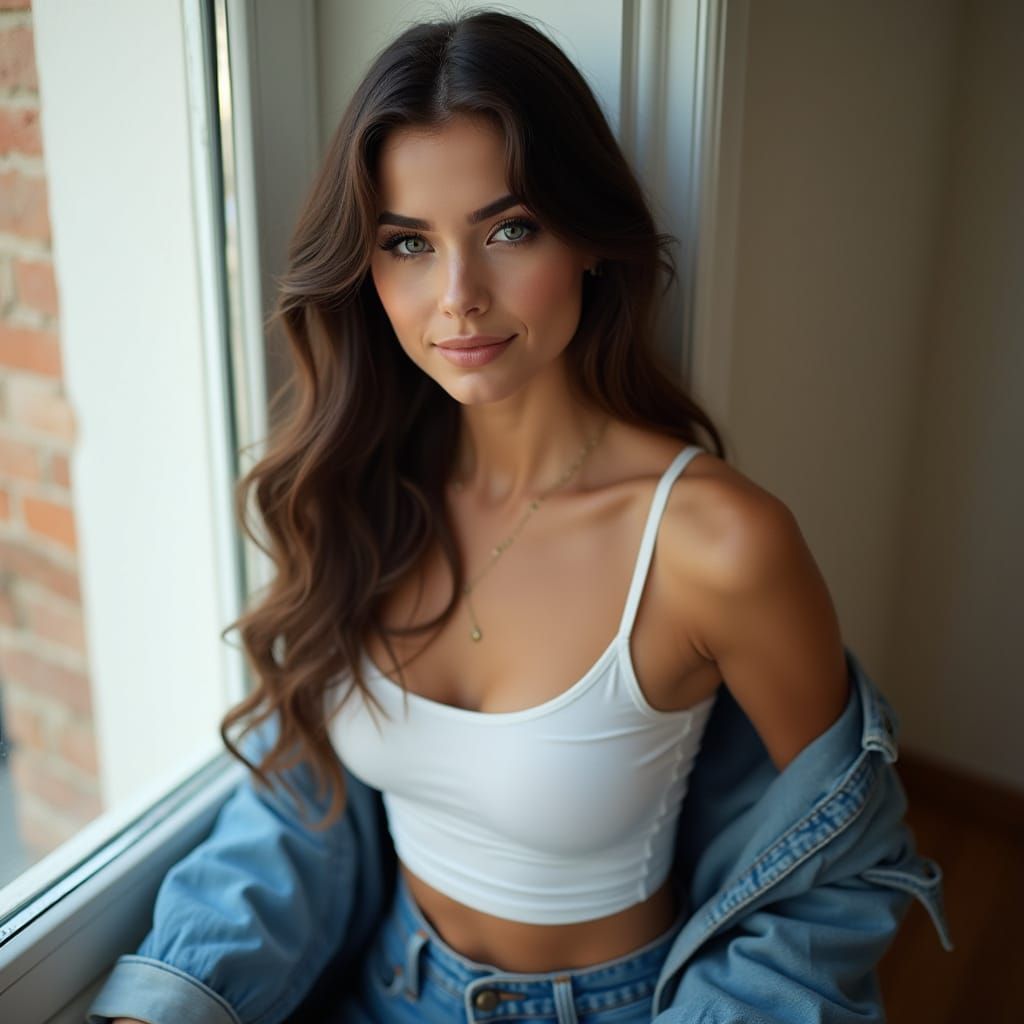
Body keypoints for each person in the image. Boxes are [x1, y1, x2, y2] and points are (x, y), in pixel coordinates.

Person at [88, 9, 952, 1024]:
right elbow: (304, 797)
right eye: (408, 243)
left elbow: (839, 865)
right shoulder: (360, 490)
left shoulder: (715, 543)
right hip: (380, 984)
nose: (457, 296)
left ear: (587, 238)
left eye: (508, 230)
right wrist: (165, 1000)